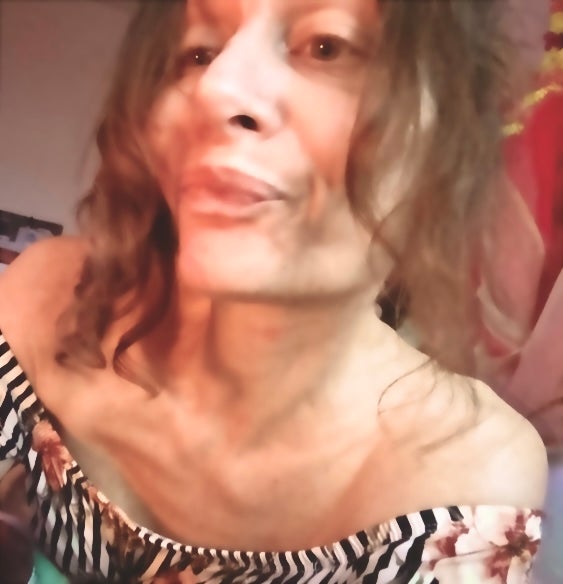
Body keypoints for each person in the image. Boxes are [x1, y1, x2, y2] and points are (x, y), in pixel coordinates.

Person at [0, 1, 548, 582]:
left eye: (327, 46)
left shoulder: (468, 482)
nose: (216, 87)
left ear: (445, 148)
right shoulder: (44, 297)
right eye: (198, 51)